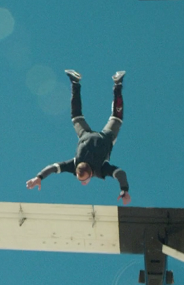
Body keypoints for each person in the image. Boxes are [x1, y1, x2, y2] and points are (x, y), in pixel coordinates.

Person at [26, 70, 131, 205]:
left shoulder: (100, 169)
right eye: (83, 181)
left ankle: (118, 84)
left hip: (104, 137)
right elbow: (52, 167)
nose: (83, 183)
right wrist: (39, 177)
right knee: (76, 116)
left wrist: (124, 190)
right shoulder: (75, 164)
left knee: (117, 118)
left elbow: (120, 173)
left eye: (82, 180)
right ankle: (75, 83)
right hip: (86, 135)